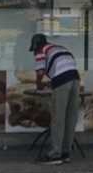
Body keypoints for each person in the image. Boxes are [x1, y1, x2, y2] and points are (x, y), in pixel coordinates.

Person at [30, 32, 80, 165]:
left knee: (58, 118)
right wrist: (52, 82)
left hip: (63, 80)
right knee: (70, 118)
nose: (34, 53)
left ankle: (55, 154)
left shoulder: (41, 51)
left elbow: (40, 72)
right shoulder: (59, 48)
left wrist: (39, 86)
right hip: (75, 79)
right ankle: (65, 153)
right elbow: (64, 69)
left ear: (36, 47)